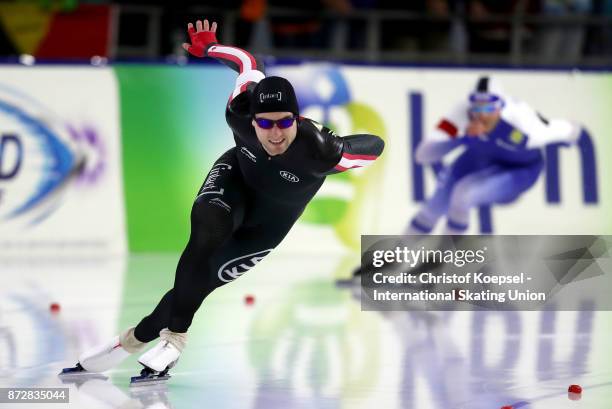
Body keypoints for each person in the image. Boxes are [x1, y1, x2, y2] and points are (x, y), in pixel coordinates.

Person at [60, 18, 384, 384]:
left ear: (297, 117)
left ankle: (131, 341)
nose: (275, 133)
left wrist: (342, 144)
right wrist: (209, 47)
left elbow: (375, 145)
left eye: (284, 122)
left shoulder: (322, 151)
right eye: (265, 124)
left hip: (269, 224)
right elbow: (249, 65)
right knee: (204, 232)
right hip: (235, 178)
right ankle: (175, 340)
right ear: (253, 118)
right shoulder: (239, 110)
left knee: (199, 283)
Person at [407, 75, 582, 235]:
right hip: (480, 158)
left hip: (521, 170)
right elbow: (423, 155)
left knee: (463, 195)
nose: (482, 114)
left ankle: (444, 260)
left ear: (501, 106)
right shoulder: (461, 114)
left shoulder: (522, 121)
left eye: (489, 107)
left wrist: (573, 133)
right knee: (433, 207)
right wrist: (459, 136)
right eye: (477, 106)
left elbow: (567, 130)